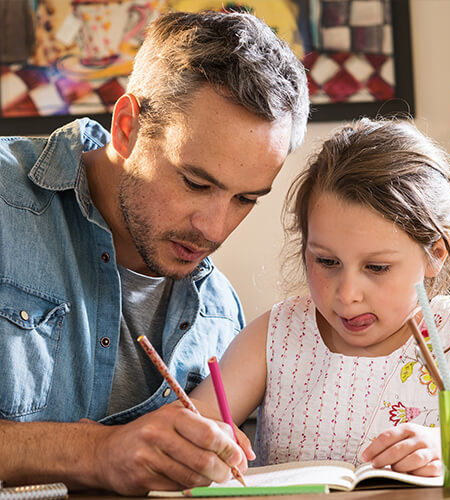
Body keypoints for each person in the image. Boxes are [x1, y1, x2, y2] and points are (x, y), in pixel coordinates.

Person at [0, 10, 309, 495]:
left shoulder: (222, 318)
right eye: (196, 182)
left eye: (246, 198)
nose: (215, 228)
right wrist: (96, 452)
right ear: (127, 127)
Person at [188, 117, 450, 477]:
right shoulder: (276, 335)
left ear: (435, 254)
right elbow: (189, 428)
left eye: (377, 267)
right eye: (327, 261)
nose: (347, 296)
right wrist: (202, 443)